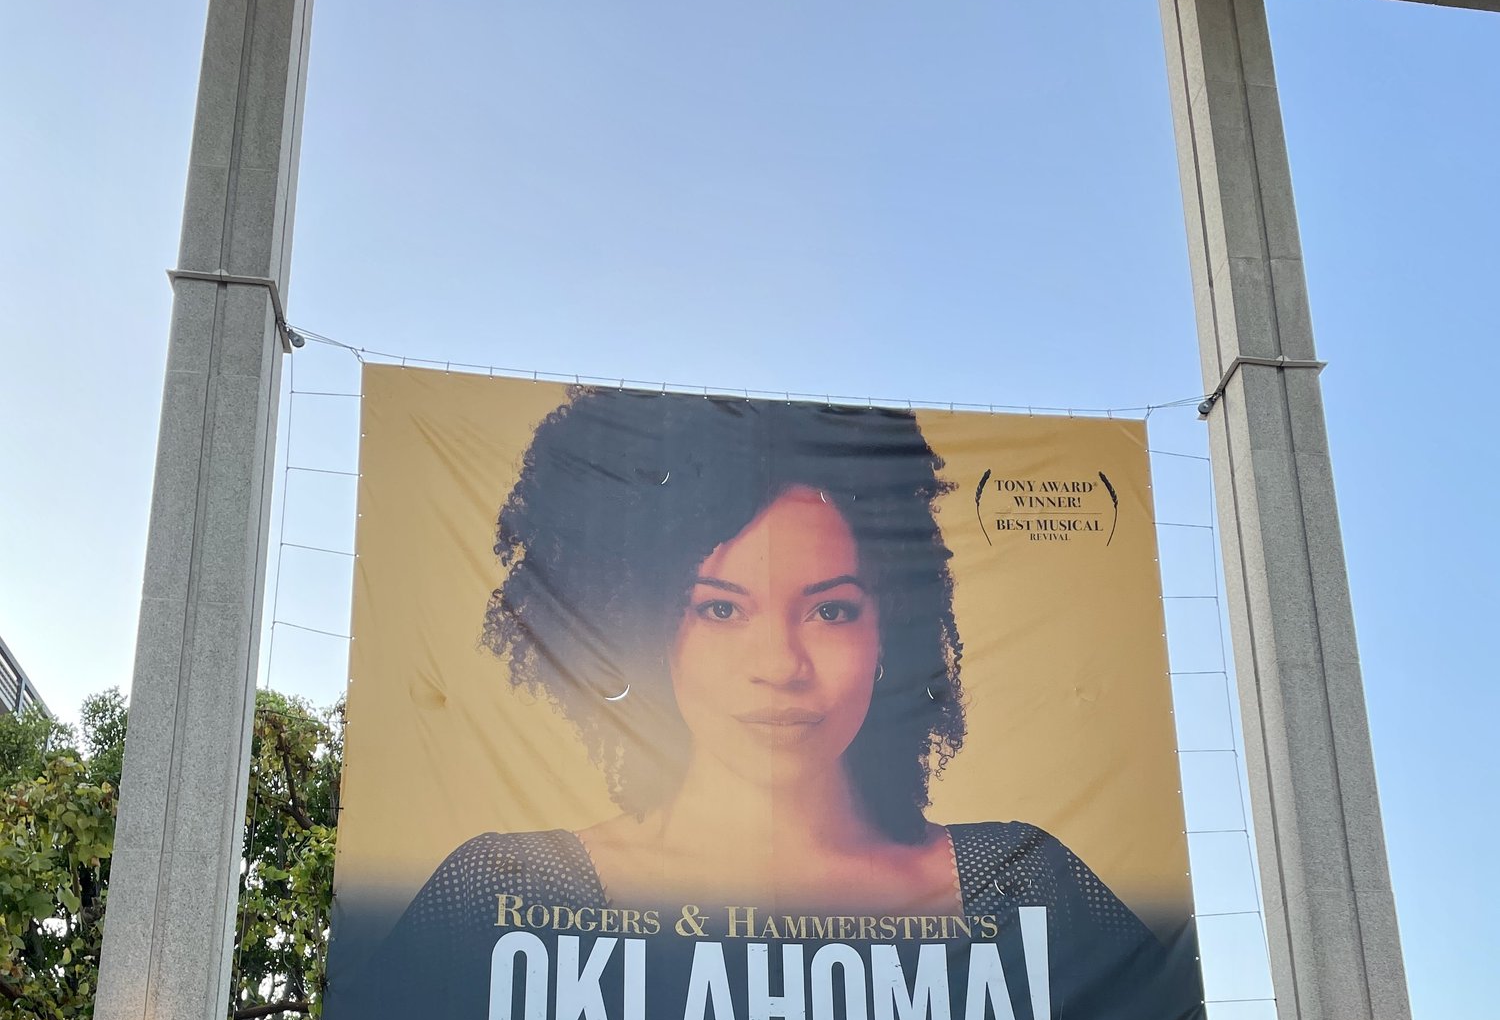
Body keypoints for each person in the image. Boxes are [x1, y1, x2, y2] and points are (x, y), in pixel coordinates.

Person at [398, 388, 1150, 954]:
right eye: (720, 610)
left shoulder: (1019, 883)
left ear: (893, 628)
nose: (780, 666)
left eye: (831, 611)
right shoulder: (508, 892)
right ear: (648, 628)